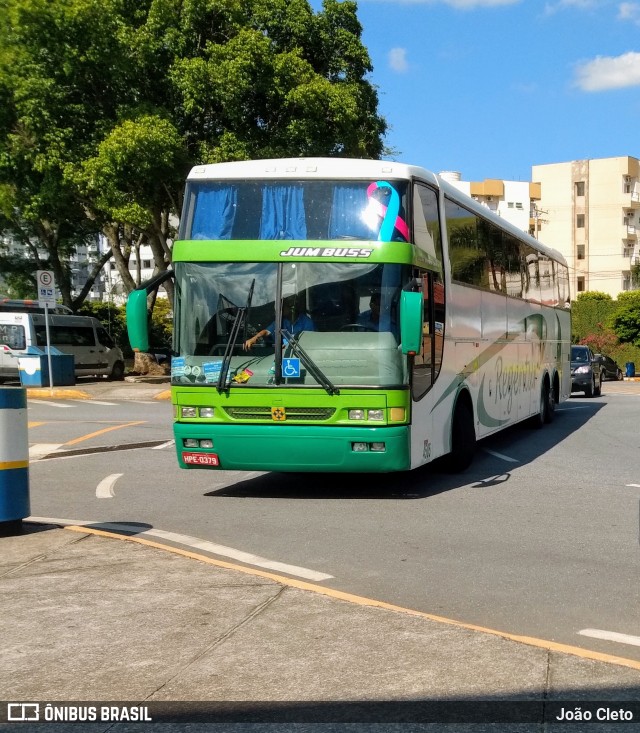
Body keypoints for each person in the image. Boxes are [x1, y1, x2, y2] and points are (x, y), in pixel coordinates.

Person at [243, 294, 315, 350]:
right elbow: (266, 332)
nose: (280, 311)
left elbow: (310, 343)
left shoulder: (307, 323)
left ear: (291, 307)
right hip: (281, 357)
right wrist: (254, 338)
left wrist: (290, 346)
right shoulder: (281, 321)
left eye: (282, 308)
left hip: (301, 357)